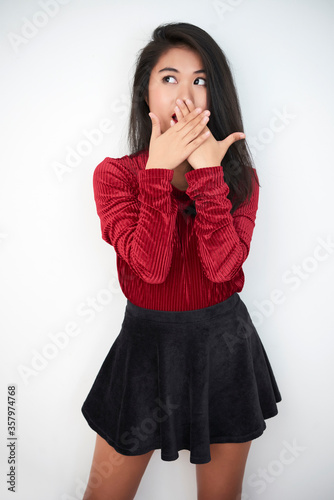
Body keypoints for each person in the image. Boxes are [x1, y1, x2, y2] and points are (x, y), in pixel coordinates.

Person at [81, 21, 282, 500]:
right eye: (169, 78)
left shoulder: (241, 179)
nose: (185, 95)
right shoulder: (114, 177)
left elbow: (221, 271)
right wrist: (155, 173)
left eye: (200, 79)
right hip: (145, 351)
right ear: (145, 94)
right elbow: (149, 269)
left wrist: (209, 174)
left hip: (225, 350)